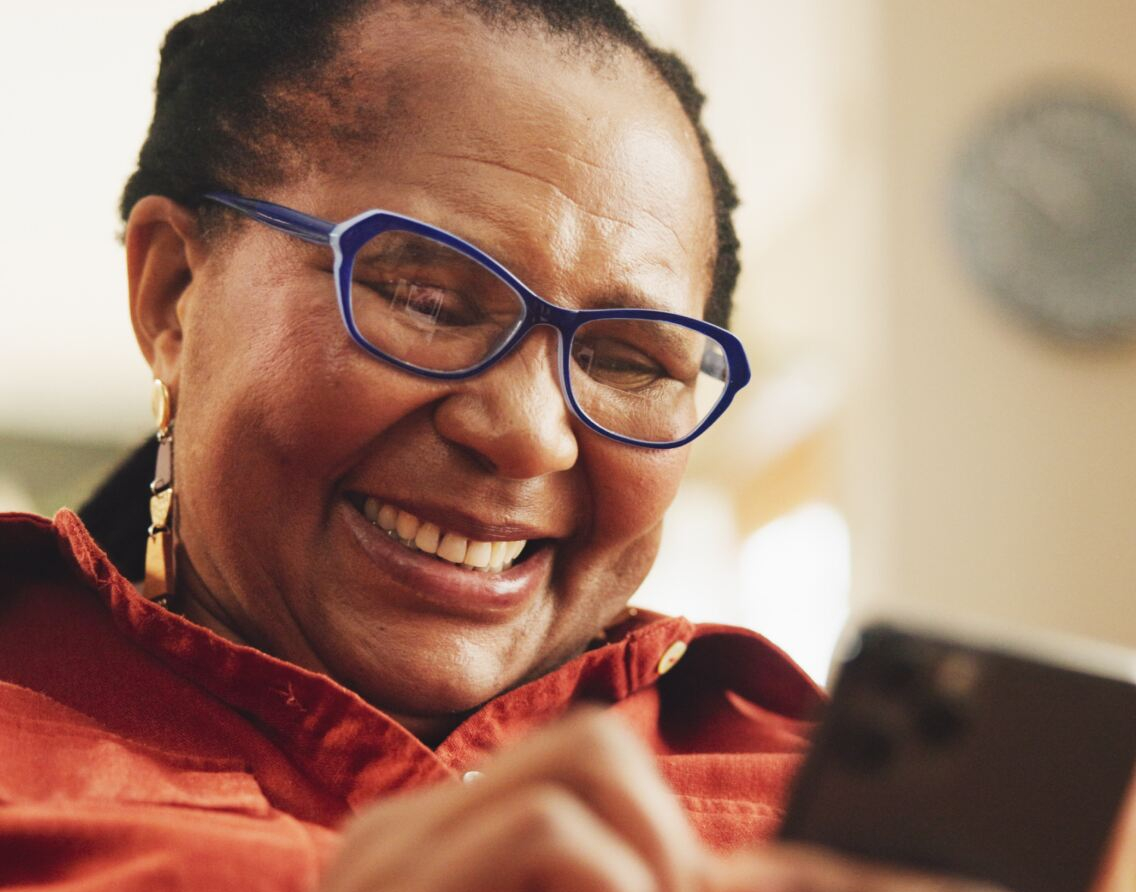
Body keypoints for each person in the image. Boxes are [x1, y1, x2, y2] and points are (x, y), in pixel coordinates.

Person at [0, 1, 1107, 890]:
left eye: (630, 360)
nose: (530, 437)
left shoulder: (814, 812)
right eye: (426, 297)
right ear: (174, 294)